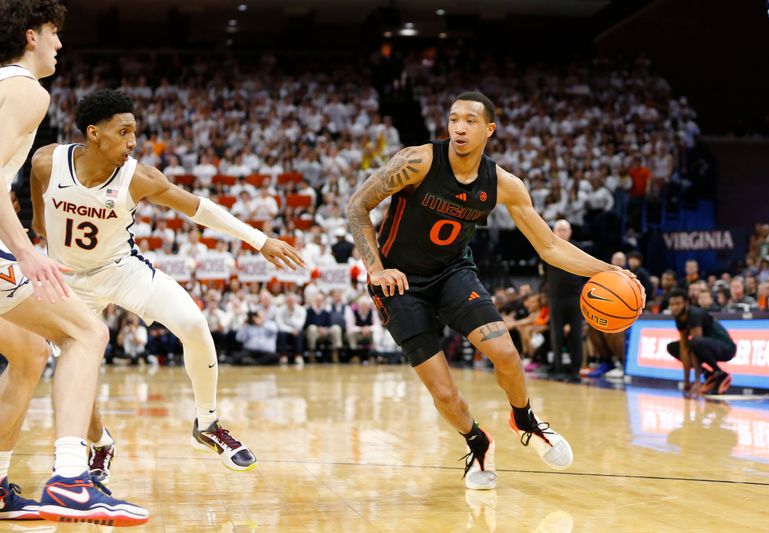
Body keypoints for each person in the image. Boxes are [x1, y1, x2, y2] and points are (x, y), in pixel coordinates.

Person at [346, 91, 643, 490]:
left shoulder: (504, 184)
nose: (459, 127)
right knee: (444, 393)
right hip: (399, 283)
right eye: (453, 119)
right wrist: (376, 268)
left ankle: (524, 420)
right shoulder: (417, 161)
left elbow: (550, 246)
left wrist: (610, 271)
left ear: (489, 129)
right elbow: (357, 206)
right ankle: (478, 442)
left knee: (506, 353)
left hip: (452, 273)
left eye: (469, 120)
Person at [29, 90, 304, 481]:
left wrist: (260, 241)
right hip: (68, 281)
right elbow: (39, 224)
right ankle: (100, 444)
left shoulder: (138, 177)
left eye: (134, 132)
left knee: (193, 324)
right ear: (94, 133)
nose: (132, 142)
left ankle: (207, 424)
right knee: (77, 374)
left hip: (120, 268)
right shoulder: (46, 162)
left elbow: (198, 208)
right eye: (123, 131)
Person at [0, 2, 148, 525]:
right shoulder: (24, 88)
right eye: (54, 33)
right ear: (30, 35)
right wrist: (24, 249)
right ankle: (70, 479)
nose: (60, 44)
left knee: (30, 352)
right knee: (86, 333)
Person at [666, 289, 735, 397]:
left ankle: (720, 373)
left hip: (726, 348)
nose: (674, 307)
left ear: (686, 303)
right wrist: (687, 382)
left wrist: (697, 381)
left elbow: (695, 350)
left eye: (678, 304)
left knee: (695, 343)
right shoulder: (679, 318)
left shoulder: (694, 314)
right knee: (674, 347)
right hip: (707, 346)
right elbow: (684, 349)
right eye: (672, 304)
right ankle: (709, 374)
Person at [543, 220, 585, 382]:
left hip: (575, 297)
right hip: (555, 298)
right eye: (559, 230)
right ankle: (558, 368)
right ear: (554, 231)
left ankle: (575, 370)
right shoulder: (548, 247)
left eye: (565, 230)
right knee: (556, 334)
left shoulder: (577, 248)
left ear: (570, 232)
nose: (562, 232)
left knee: (576, 334)